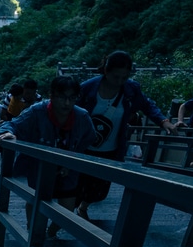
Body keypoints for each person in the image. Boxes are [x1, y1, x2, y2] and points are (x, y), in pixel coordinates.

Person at [75, 51, 178, 220]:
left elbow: (147, 105)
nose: (120, 82)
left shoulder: (131, 89)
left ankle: (82, 208)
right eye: (116, 77)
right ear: (106, 71)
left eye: (125, 77)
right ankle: (66, 214)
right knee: (77, 183)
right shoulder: (88, 88)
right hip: (84, 146)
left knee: (100, 187)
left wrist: (163, 121)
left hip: (111, 148)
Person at [0, 75, 96, 238]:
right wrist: (7, 133)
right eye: (62, 97)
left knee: (66, 211)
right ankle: (35, 231)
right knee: (36, 201)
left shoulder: (81, 116)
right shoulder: (37, 111)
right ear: (51, 95)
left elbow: (89, 137)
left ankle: (50, 233)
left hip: (68, 169)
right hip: (39, 168)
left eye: (72, 98)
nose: (66, 103)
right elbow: (12, 124)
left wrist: (73, 157)